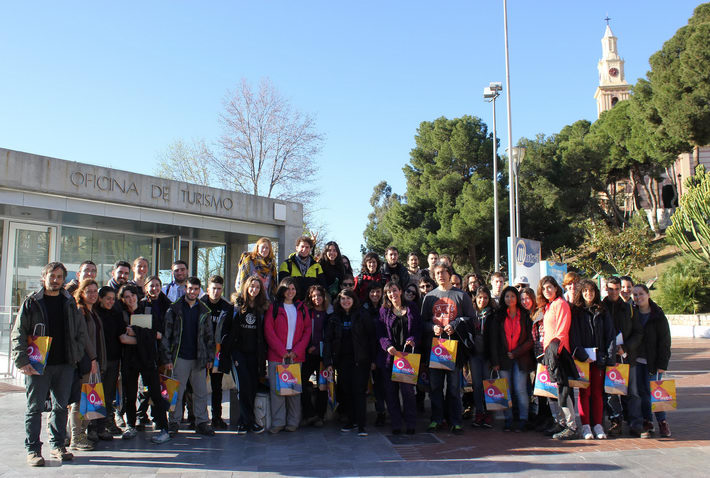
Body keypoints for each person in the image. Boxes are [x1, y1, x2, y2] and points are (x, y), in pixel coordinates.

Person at [12, 262, 88, 466]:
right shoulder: (32, 302)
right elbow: (18, 332)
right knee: (34, 408)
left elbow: (81, 332)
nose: (55, 280)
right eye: (52, 276)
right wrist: (22, 360)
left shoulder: (69, 301)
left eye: (59, 277)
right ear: (44, 277)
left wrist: (77, 354)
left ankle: (57, 445)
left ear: (64, 279)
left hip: (64, 364)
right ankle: (33, 450)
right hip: (37, 365)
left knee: (61, 406)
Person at [422, 260, 476, 435]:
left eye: (443, 272)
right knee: (436, 387)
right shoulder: (429, 297)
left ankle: (456, 421)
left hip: (455, 349)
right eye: (437, 273)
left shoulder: (461, 296)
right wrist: (432, 327)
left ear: (449, 273)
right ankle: (437, 420)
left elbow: (471, 320)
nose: (440, 276)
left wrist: (455, 324)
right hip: (436, 349)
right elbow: (422, 322)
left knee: (453, 388)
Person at [116, 284, 172, 445]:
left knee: (155, 393)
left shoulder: (147, 310)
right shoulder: (122, 315)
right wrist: (146, 336)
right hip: (129, 360)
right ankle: (130, 425)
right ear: (122, 299)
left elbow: (159, 334)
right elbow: (123, 339)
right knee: (130, 394)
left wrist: (136, 332)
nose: (130, 299)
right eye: (126, 296)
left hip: (148, 359)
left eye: (132, 295)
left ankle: (164, 428)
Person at [162, 277, 216, 437]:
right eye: (190, 288)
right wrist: (167, 358)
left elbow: (209, 337)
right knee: (176, 392)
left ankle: (201, 422)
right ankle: (174, 422)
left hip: (198, 358)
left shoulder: (204, 310)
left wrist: (210, 358)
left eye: (196, 289)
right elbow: (167, 335)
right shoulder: (174, 309)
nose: (192, 292)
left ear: (200, 291)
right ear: (185, 289)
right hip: (179, 357)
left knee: (201, 392)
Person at [324, 289, 375, 437]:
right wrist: (329, 361)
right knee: (346, 391)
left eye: (348, 299)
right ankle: (350, 420)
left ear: (353, 300)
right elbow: (328, 340)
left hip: (360, 360)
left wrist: (372, 359)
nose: (346, 302)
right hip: (342, 360)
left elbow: (371, 337)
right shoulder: (334, 318)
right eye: (343, 299)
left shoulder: (362, 315)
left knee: (358, 391)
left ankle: (361, 424)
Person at [221, 275, 269, 434]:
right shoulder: (235, 306)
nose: (254, 289)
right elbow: (226, 330)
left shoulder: (262, 308)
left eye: (257, 287)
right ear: (246, 287)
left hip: (255, 354)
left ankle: (246, 421)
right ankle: (246, 422)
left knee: (253, 387)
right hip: (238, 354)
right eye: (251, 286)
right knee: (244, 386)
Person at [264, 277, 312, 433]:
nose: (290, 292)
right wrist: (282, 351)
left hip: (295, 357)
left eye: (293, 289)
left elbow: (307, 332)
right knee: (277, 391)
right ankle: (278, 422)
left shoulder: (302, 308)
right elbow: (269, 331)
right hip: (277, 356)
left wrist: (296, 351)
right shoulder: (275, 307)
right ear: (282, 290)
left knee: (293, 392)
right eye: (287, 289)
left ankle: (293, 422)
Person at [570, 279, 616, 440]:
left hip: (599, 359)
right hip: (583, 360)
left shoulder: (602, 311)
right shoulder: (576, 312)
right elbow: (573, 336)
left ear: (596, 293)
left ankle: (597, 424)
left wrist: (608, 357)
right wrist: (582, 355)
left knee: (597, 393)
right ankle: (585, 426)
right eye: (585, 291)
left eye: (591, 291)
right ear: (581, 294)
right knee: (584, 393)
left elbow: (610, 336)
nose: (588, 294)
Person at [377, 281, 420, 435]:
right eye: (389, 292)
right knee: (391, 392)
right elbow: (380, 333)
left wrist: (413, 339)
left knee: (408, 392)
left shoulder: (412, 308)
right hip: (390, 358)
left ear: (401, 291)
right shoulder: (384, 311)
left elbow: (418, 329)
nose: (392, 294)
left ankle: (410, 423)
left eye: (394, 290)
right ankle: (396, 423)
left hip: (407, 358)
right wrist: (387, 345)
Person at [488, 286, 534, 432]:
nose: (510, 299)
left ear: (517, 298)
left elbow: (530, 339)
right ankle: (508, 419)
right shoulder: (498, 316)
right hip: (503, 360)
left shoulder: (525, 315)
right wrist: (495, 362)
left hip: (521, 358)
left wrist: (516, 352)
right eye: (507, 296)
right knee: (505, 390)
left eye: (513, 296)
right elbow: (494, 341)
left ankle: (523, 419)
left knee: (520, 389)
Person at [538, 275, 578, 440]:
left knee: (563, 390)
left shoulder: (561, 304)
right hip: (550, 352)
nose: (547, 291)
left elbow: (562, 330)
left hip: (558, 352)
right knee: (556, 389)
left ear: (556, 288)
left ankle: (571, 426)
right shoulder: (550, 306)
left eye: (550, 287)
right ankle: (561, 422)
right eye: (544, 288)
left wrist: (554, 351)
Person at [603, 276, 643, 437]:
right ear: (606, 289)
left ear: (621, 289)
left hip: (627, 357)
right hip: (607, 357)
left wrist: (625, 348)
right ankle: (615, 422)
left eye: (617, 289)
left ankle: (635, 423)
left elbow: (638, 332)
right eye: (611, 289)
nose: (614, 292)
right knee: (610, 392)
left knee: (632, 392)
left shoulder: (629, 308)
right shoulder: (601, 307)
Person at [632, 284, 672, 438]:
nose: (638, 297)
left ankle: (662, 421)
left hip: (653, 362)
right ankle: (648, 421)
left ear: (648, 294)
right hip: (637, 361)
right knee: (642, 393)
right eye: (635, 295)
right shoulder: (633, 312)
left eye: (641, 294)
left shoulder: (657, 314)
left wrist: (663, 364)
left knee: (655, 392)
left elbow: (665, 341)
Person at [135, 275, 171, 429]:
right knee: (145, 387)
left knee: (160, 386)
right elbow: (138, 329)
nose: (154, 288)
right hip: (147, 352)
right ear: (146, 288)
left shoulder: (168, 304)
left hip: (163, 352)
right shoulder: (141, 305)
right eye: (152, 285)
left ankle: (158, 415)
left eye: (157, 285)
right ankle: (141, 415)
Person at [201, 275, 234, 429]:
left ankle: (216, 417)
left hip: (217, 352)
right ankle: (198, 417)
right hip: (200, 350)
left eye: (219, 289)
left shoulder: (227, 306)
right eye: (213, 288)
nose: (216, 291)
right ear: (208, 289)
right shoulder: (200, 304)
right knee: (197, 386)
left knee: (216, 387)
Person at [95, 286, 125, 437]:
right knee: (95, 394)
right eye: (108, 298)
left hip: (113, 359)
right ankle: (93, 427)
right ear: (100, 298)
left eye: (113, 299)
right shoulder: (94, 313)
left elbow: (122, 335)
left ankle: (105, 424)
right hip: (98, 360)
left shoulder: (116, 314)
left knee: (108, 395)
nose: (110, 301)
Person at [523, 286, 553, 433]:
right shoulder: (524, 314)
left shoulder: (539, 313)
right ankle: (539, 417)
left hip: (541, 355)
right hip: (529, 357)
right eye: (522, 299)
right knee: (536, 389)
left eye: (527, 298)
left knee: (543, 388)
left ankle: (547, 418)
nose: (525, 301)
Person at [301, 284, 330, 427]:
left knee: (322, 386)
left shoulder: (329, 313)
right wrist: (307, 347)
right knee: (299, 381)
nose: (316, 298)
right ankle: (309, 414)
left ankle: (320, 415)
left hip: (324, 355)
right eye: (313, 296)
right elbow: (302, 331)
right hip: (309, 354)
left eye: (319, 295)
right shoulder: (307, 312)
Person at [361, 282, 387, 427]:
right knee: (371, 386)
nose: (375, 295)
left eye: (378, 292)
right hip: (367, 352)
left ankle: (383, 412)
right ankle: (375, 413)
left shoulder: (386, 308)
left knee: (382, 385)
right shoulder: (363, 309)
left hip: (383, 351)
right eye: (372, 292)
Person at [278, 235, 325, 301]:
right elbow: (282, 287)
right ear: (296, 248)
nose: (304, 249)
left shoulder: (317, 266)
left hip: (310, 305)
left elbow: (322, 286)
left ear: (310, 249)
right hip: (292, 303)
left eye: (307, 247)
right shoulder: (286, 264)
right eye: (302, 246)